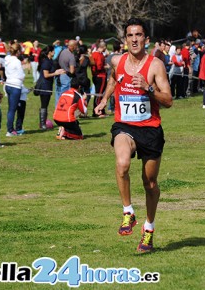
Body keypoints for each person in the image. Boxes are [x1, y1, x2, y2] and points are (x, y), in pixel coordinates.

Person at [94, 18, 173, 253]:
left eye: (139, 35)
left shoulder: (156, 65)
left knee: (149, 183)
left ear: (146, 39)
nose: (135, 39)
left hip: (150, 129)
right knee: (122, 163)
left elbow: (168, 100)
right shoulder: (117, 61)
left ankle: (148, 230)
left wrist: (148, 88)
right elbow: (112, 80)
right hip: (124, 125)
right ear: (125, 39)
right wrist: (105, 99)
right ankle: (128, 212)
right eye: (130, 35)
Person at [37, 45, 66, 130]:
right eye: (53, 51)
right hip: (44, 85)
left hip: (48, 85)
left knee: (46, 104)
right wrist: (56, 73)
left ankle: (43, 122)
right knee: (44, 104)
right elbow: (46, 75)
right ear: (49, 52)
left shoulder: (50, 61)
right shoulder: (46, 61)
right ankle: (42, 124)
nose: (54, 52)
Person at [4, 42, 25, 136]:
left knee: (11, 109)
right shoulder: (16, 61)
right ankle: (10, 130)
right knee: (12, 109)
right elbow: (21, 75)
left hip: (8, 84)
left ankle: (12, 128)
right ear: (18, 52)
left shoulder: (7, 59)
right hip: (15, 86)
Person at [55, 39, 77, 106]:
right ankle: (62, 110)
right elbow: (72, 71)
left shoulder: (62, 51)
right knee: (64, 96)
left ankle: (57, 110)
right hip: (66, 76)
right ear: (73, 46)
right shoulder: (71, 56)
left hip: (58, 74)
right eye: (76, 46)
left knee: (58, 95)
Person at [90, 41, 108, 117]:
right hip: (101, 76)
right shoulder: (99, 55)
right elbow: (99, 66)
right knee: (100, 94)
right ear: (103, 47)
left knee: (98, 93)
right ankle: (97, 111)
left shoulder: (94, 54)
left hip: (95, 76)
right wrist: (105, 66)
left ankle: (100, 110)